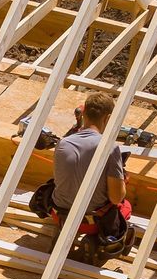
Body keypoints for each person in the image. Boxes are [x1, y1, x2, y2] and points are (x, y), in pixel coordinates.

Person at [48, 91, 130, 246]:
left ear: (83, 113)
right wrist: (122, 180)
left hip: (58, 214)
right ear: (108, 118)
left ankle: (62, 232)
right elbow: (116, 198)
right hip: (89, 221)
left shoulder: (63, 143)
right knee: (125, 207)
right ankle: (95, 244)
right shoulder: (109, 148)